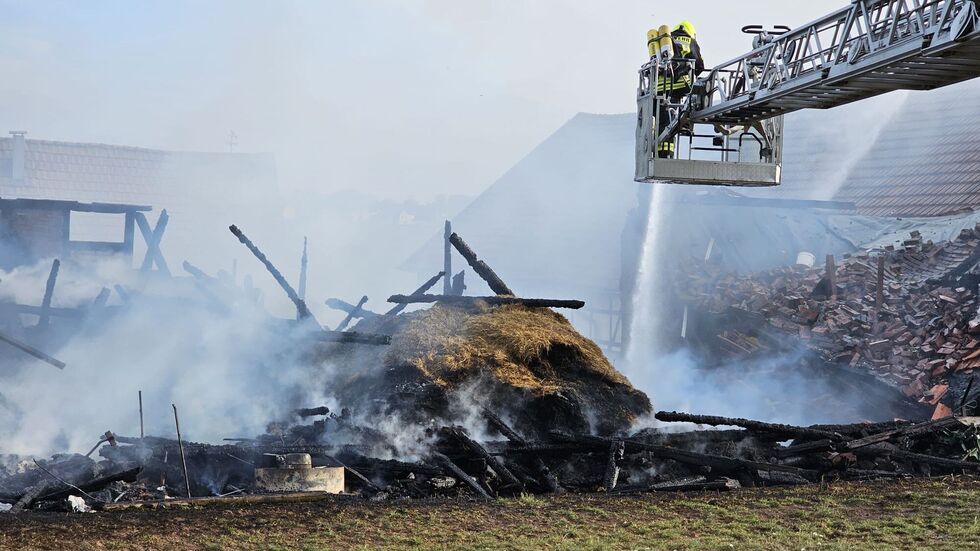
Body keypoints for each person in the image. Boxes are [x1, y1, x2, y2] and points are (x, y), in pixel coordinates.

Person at [654, 21, 705, 158]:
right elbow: (699, 65)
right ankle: (666, 153)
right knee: (669, 121)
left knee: (659, 119)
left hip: (657, 87)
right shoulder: (690, 41)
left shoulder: (666, 41)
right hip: (678, 85)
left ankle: (658, 150)